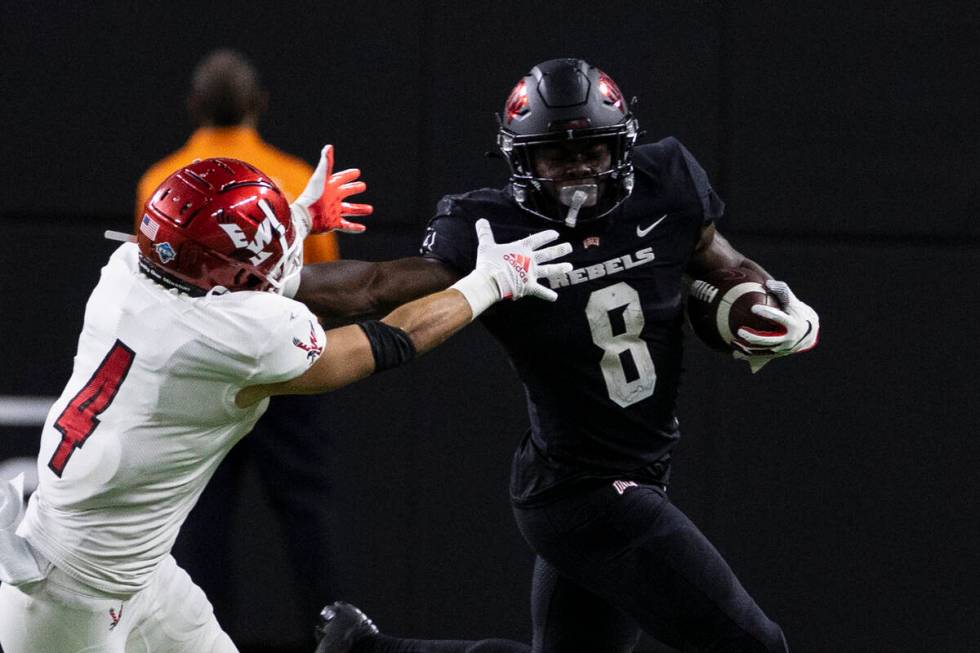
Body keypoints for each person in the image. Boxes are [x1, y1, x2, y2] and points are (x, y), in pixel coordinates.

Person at [298, 59, 819, 652]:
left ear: (620, 144)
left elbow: (722, 262)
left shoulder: (666, 181)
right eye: (556, 155)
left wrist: (780, 303)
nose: (577, 168)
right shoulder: (493, 228)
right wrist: (262, 276)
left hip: (633, 473)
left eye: (593, 149)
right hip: (582, 492)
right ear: (521, 160)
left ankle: (365, 651)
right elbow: (375, 285)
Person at [0, 151, 572, 653]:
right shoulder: (231, 339)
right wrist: (490, 283)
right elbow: (389, 338)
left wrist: (293, 217)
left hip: (132, 569)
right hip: (70, 601)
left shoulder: (129, 267)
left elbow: (234, 270)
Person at [135, 48, 349, 630]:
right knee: (306, 511)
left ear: (194, 105)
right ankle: (337, 636)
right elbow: (317, 285)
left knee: (202, 513)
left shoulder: (162, 181)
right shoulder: (294, 176)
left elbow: (155, 284)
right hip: (282, 367)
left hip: (201, 373)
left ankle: (200, 639)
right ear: (260, 105)